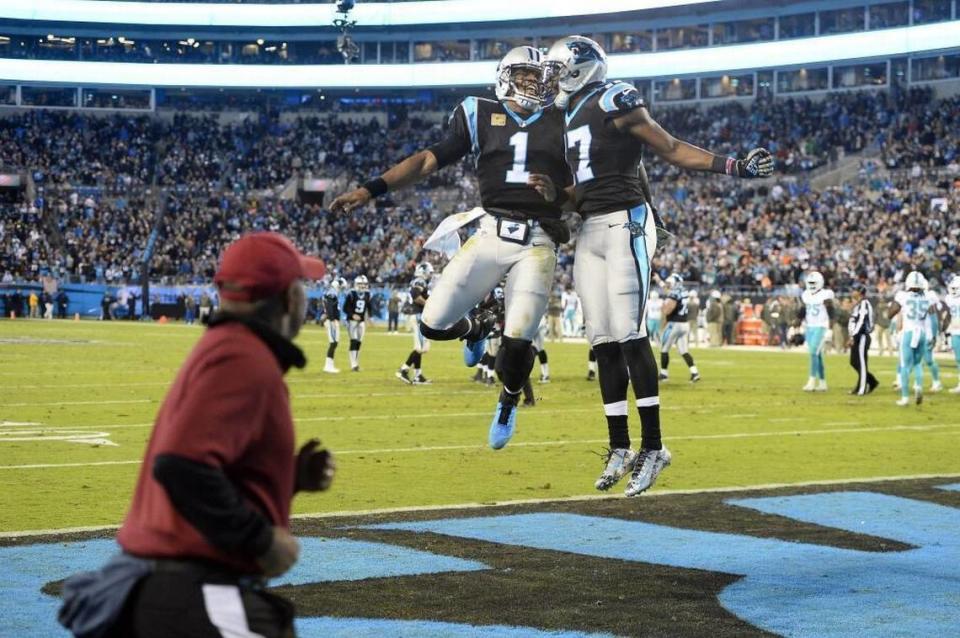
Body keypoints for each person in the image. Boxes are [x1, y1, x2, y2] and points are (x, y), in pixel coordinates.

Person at [58, 231, 336, 638]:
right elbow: (181, 465)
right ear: (286, 299)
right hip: (193, 589)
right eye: (301, 286)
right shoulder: (244, 356)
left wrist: (287, 478)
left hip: (174, 587)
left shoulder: (230, 347)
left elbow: (204, 461)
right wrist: (260, 541)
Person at [535, 35, 773, 496]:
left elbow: (669, 147)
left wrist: (733, 166)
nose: (551, 78)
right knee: (602, 340)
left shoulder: (614, 96)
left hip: (625, 221)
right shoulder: (563, 117)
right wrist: (552, 195)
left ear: (579, 67)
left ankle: (655, 447)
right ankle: (619, 445)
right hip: (588, 228)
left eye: (556, 68)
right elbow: (580, 188)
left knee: (629, 333)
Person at [331, 46, 571, 450]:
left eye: (539, 77)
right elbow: (428, 160)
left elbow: (593, 176)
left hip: (538, 239)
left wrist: (564, 196)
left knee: (518, 338)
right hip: (492, 230)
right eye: (525, 75)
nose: (533, 83)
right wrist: (370, 189)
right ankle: (476, 329)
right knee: (432, 323)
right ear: (505, 76)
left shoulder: (564, 118)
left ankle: (508, 401)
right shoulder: (477, 113)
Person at [888, 271, 932, 406]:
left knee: (905, 366)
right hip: (922, 333)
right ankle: (918, 386)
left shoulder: (902, 296)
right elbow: (931, 317)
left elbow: (891, 313)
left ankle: (905, 397)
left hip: (909, 333)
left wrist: (894, 309)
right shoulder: (927, 298)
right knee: (918, 364)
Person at [658, 273, 700, 383]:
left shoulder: (675, 292)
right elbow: (669, 292)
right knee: (684, 351)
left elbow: (669, 309)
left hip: (674, 324)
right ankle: (694, 372)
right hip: (684, 324)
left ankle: (663, 374)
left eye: (670, 283)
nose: (668, 285)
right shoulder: (683, 291)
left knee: (664, 349)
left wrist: (663, 308)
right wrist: (659, 280)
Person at [797, 271, 834, 392]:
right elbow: (803, 309)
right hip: (810, 326)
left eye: (814, 283)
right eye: (810, 283)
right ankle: (822, 382)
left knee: (813, 352)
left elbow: (831, 312)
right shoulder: (806, 295)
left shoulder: (826, 294)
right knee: (817, 355)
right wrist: (797, 322)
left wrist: (830, 328)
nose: (812, 285)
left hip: (821, 326)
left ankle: (812, 380)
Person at [396, 263, 433, 385]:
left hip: (417, 315)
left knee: (420, 347)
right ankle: (403, 369)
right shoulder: (419, 281)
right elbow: (416, 296)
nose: (430, 275)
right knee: (420, 348)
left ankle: (418, 375)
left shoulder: (418, 281)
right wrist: (428, 303)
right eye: (429, 272)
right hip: (416, 315)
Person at [846, 283, 879, 395]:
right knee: (854, 362)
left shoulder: (864, 304)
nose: (852, 291)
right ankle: (872, 381)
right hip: (857, 336)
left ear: (860, 292)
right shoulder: (858, 304)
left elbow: (861, 322)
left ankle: (862, 388)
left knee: (861, 363)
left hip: (862, 336)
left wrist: (853, 336)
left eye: (854, 290)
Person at [343, 275, 371, 372]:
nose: (362, 286)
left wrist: (369, 318)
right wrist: (353, 315)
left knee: (359, 343)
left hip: (361, 321)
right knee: (353, 341)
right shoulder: (351, 294)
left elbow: (368, 307)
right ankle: (353, 364)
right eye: (360, 284)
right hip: (352, 321)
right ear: (356, 284)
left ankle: (356, 363)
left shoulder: (367, 294)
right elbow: (345, 308)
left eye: (364, 284)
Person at [322, 277, 345, 374]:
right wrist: (332, 319)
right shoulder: (332, 293)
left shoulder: (332, 293)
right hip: (331, 321)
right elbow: (330, 307)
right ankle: (328, 366)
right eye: (341, 287)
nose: (341, 289)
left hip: (333, 320)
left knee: (334, 343)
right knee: (333, 343)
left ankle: (330, 365)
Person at [944, 276, 960, 393]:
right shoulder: (949, 298)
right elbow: (949, 314)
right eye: (953, 288)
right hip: (955, 331)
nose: (954, 290)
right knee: (958, 359)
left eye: (956, 288)